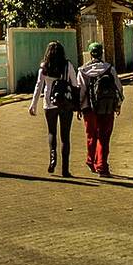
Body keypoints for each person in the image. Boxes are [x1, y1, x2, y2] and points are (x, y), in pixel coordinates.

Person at [28, 40, 81, 176]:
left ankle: (52, 159)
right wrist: (77, 105)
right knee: (65, 137)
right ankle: (65, 169)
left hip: (49, 104)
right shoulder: (67, 65)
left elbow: (38, 86)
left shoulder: (44, 67)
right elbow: (75, 84)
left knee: (52, 133)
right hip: (65, 104)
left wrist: (33, 105)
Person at [77, 41, 123, 178]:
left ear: (90, 54)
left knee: (91, 136)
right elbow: (118, 88)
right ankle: (102, 166)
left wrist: (79, 107)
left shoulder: (83, 71)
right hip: (107, 108)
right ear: (102, 53)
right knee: (104, 137)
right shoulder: (109, 69)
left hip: (89, 110)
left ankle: (91, 161)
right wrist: (117, 105)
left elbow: (81, 91)